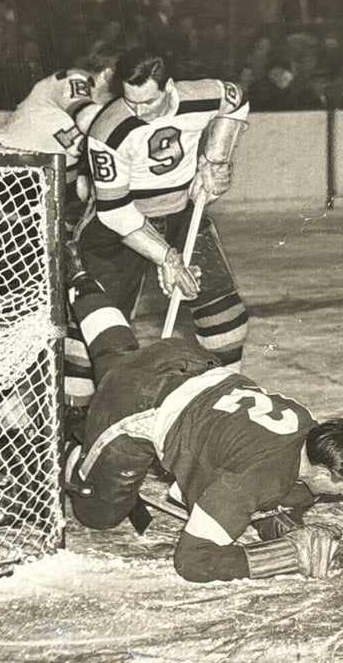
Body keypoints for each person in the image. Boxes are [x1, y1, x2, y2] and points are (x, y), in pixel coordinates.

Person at [62, 257, 343, 583]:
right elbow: (192, 561)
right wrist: (286, 557)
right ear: (323, 472)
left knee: (117, 356)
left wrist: (298, 534)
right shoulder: (250, 481)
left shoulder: (310, 430)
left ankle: (82, 280)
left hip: (185, 358)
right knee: (99, 514)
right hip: (137, 399)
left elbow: (269, 503)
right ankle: (71, 451)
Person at [65, 47, 250, 407]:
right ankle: (77, 422)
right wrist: (167, 257)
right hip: (116, 229)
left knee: (226, 321)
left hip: (181, 212)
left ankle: (226, 405)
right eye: (130, 101)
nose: (137, 111)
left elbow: (237, 101)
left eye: (147, 102)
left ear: (169, 87)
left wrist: (217, 158)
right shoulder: (109, 129)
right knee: (91, 333)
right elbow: (116, 212)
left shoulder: (201, 95)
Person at [0, 51, 116, 207]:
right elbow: (87, 119)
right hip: (8, 173)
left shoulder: (105, 105)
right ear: (108, 73)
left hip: (45, 180)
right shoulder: (76, 78)